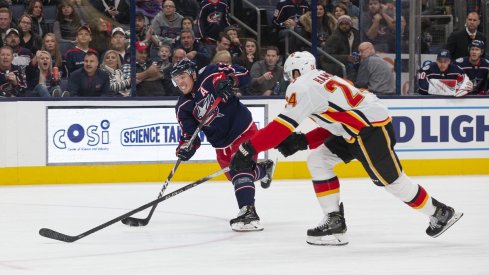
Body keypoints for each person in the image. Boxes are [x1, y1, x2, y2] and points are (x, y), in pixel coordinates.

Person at [230, 51, 464, 245]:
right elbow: (337, 123)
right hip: (356, 129)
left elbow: (280, 127)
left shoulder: (301, 86)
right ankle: (334, 221)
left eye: (290, 74)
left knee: (392, 182)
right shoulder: (322, 78)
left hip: (369, 130)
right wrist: (304, 141)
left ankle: (440, 213)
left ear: (296, 71)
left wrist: (246, 149)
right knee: (319, 160)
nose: (290, 79)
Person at [171, 58, 274, 231]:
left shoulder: (210, 73)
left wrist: (231, 81)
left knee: (240, 168)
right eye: (176, 79)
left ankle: (248, 213)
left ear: (193, 73)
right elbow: (189, 135)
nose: (180, 82)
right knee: (237, 177)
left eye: (182, 76)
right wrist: (185, 148)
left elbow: (244, 73)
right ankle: (263, 170)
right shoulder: (183, 107)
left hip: (242, 130)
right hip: (221, 145)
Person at [321, 15, 359, 81]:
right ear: (338, 25)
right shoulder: (334, 37)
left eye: (346, 24)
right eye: (342, 24)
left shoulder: (355, 34)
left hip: (350, 63)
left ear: (350, 24)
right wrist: (346, 58)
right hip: (336, 66)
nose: (344, 26)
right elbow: (326, 56)